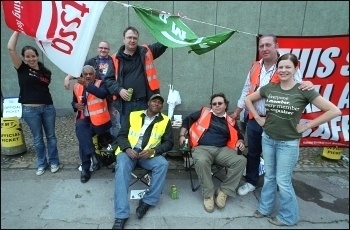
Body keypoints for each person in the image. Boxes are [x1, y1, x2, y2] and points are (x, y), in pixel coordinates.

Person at [245, 53, 341, 226]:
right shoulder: (270, 87)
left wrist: (306, 126)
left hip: (287, 143)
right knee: (269, 177)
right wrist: (259, 119)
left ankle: (288, 217)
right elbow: (248, 98)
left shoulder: (304, 90)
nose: (283, 70)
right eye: (280, 67)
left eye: (288, 67)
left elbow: (334, 110)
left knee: (283, 181)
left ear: (296, 68)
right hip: (268, 138)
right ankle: (265, 208)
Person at [230, 34, 314, 196]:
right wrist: (237, 112)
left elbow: (299, 89)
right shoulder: (255, 66)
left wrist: (309, 84)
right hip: (255, 119)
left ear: (276, 45)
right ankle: (251, 182)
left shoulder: (285, 65)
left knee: (277, 154)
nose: (264, 49)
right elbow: (246, 90)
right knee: (253, 152)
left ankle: (275, 184)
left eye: (268, 45)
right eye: (261, 46)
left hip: (278, 121)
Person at [112, 94, 173, 229]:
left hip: (148, 156)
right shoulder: (133, 115)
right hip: (129, 153)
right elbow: (121, 135)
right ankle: (121, 215)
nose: (156, 103)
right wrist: (127, 149)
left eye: (159, 103)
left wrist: (154, 151)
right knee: (121, 166)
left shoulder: (165, 120)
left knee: (163, 164)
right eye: (154, 101)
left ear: (162, 106)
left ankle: (147, 201)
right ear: (148, 103)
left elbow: (169, 143)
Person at [179, 93, 247, 213]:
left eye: (219, 103)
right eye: (214, 104)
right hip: (202, 148)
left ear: (225, 105)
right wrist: (181, 135)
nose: (216, 106)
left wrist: (240, 141)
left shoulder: (231, 120)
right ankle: (208, 194)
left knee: (241, 160)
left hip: (222, 150)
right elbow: (187, 120)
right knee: (201, 160)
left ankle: (224, 191)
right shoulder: (204, 112)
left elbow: (239, 135)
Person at [7, 31, 60, 176]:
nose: (31, 59)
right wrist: (17, 30)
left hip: (48, 108)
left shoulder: (46, 72)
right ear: (24, 58)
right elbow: (11, 48)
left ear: (37, 56)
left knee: (51, 137)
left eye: (33, 56)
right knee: (37, 139)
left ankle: (54, 161)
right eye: (28, 57)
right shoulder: (22, 69)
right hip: (30, 111)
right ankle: (42, 164)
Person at [105, 26, 168, 127]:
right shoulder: (114, 58)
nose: (132, 40)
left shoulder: (146, 52)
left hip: (145, 102)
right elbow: (108, 80)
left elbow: (164, 42)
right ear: (123, 39)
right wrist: (119, 90)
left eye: (135, 38)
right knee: (126, 132)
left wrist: (173, 24)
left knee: (145, 130)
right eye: (129, 37)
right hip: (125, 104)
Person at [64, 41, 121, 138]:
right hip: (96, 96)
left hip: (111, 95)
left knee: (114, 121)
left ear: (109, 50)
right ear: (97, 49)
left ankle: (114, 143)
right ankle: (100, 142)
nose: (103, 50)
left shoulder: (113, 61)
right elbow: (79, 70)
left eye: (105, 48)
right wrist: (67, 78)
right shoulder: (92, 61)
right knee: (98, 121)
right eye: (101, 48)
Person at [72, 65, 112, 183]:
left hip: (100, 121)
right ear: (82, 75)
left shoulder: (101, 83)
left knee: (83, 137)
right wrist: (75, 105)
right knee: (80, 127)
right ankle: (86, 167)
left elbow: (102, 94)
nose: (88, 76)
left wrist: (87, 85)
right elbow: (73, 101)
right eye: (86, 74)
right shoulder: (76, 86)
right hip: (84, 119)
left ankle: (86, 164)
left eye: (90, 74)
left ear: (95, 75)